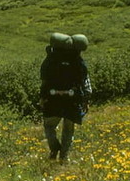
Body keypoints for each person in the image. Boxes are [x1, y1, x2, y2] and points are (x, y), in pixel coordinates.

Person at [39, 32, 91, 161]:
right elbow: (85, 83)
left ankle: (54, 148)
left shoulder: (49, 60)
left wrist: (42, 97)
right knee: (68, 130)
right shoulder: (78, 62)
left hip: (53, 99)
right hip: (72, 100)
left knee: (49, 126)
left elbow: (44, 81)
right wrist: (85, 100)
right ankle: (64, 156)